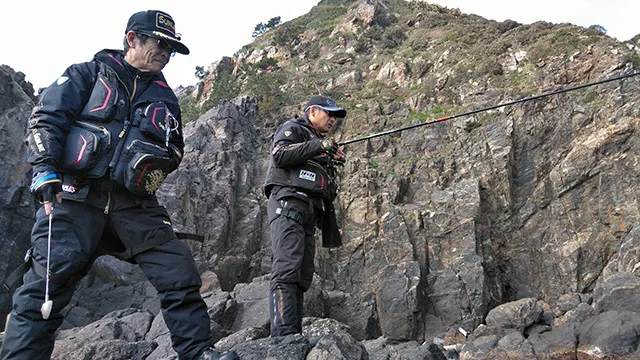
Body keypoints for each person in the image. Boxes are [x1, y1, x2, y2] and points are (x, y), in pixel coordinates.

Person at [0, 10, 238, 360]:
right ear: (132, 39)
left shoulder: (166, 98)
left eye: (171, 48)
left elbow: (175, 149)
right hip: (74, 197)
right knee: (46, 285)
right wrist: (45, 170)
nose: (166, 53)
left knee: (179, 272)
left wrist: (153, 165)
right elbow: (46, 119)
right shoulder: (87, 73)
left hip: (135, 205)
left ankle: (199, 352)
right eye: (160, 44)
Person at [264, 95, 346, 336]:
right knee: (287, 269)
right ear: (312, 112)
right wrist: (320, 146)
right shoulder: (293, 129)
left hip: (309, 215)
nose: (332, 119)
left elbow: (322, 191)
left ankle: (293, 335)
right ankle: (283, 337)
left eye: (335, 116)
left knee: (302, 276)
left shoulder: (319, 145)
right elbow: (280, 155)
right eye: (328, 113)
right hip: (287, 205)